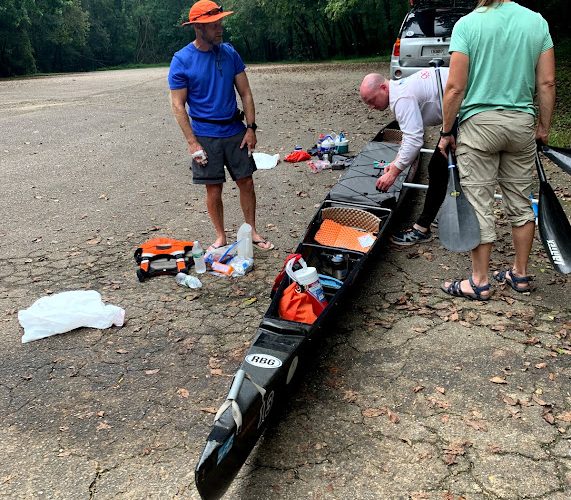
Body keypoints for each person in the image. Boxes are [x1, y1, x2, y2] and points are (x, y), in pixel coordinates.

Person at [439, 0, 555, 301]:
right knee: (521, 201)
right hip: (521, 126)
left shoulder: (467, 24)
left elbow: (454, 88)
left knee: (480, 202)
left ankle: (479, 281)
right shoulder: (536, 22)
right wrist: (543, 128)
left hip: (479, 128)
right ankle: (520, 274)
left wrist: (446, 131)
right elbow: (547, 82)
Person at [168, 1, 274, 251]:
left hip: (235, 130)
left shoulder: (229, 53)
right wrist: (192, 142)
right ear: (197, 27)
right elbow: (178, 105)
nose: (220, 28)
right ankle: (220, 237)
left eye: (220, 23)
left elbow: (245, 93)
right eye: (213, 25)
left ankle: (252, 231)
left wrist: (251, 128)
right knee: (213, 189)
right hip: (205, 135)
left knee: (246, 181)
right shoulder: (182, 60)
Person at [360, 68, 450, 246]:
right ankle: (445, 215)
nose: (371, 107)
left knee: (439, 168)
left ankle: (422, 228)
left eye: (372, 101)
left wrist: (393, 172)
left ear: (383, 88)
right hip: (458, 110)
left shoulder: (401, 97)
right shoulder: (401, 89)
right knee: (439, 167)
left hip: (468, 109)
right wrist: (395, 162)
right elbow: (411, 135)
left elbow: (415, 139)